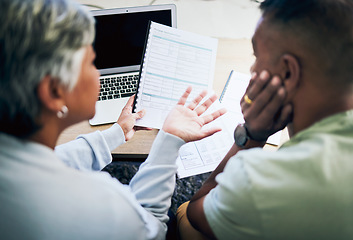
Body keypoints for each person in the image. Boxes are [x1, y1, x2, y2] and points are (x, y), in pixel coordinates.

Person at [0, 0, 226, 239]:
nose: (98, 74)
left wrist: (117, 132)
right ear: (54, 91)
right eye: (90, 62)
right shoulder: (102, 201)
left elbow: (57, 159)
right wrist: (170, 140)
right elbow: (151, 227)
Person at [178, 0, 353, 239]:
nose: (253, 68)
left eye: (256, 55)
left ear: (287, 72)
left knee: (183, 216)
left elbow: (196, 212)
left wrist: (252, 136)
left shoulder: (261, 183)